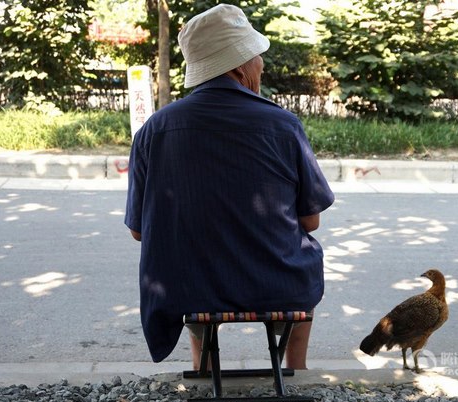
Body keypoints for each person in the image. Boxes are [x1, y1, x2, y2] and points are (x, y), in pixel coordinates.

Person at [124, 3, 335, 370]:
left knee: (188, 263)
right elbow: (311, 221)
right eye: (257, 57)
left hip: (185, 290)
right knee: (307, 261)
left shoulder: (153, 131)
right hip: (278, 284)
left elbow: (139, 232)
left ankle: (203, 368)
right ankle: (295, 369)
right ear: (239, 65)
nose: (262, 66)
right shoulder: (283, 126)